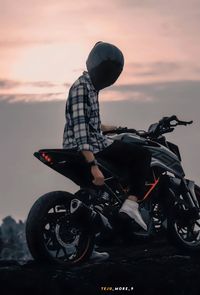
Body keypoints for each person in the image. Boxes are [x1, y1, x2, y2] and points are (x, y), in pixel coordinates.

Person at [63, 41, 152, 261]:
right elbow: (83, 131)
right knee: (142, 155)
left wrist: (117, 128)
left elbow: (92, 123)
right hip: (88, 148)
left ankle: (87, 249)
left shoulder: (89, 87)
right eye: (108, 72)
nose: (110, 77)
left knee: (93, 197)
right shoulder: (83, 87)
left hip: (88, 143)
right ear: (97, 67)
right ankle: (131, 205)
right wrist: (93, 166)